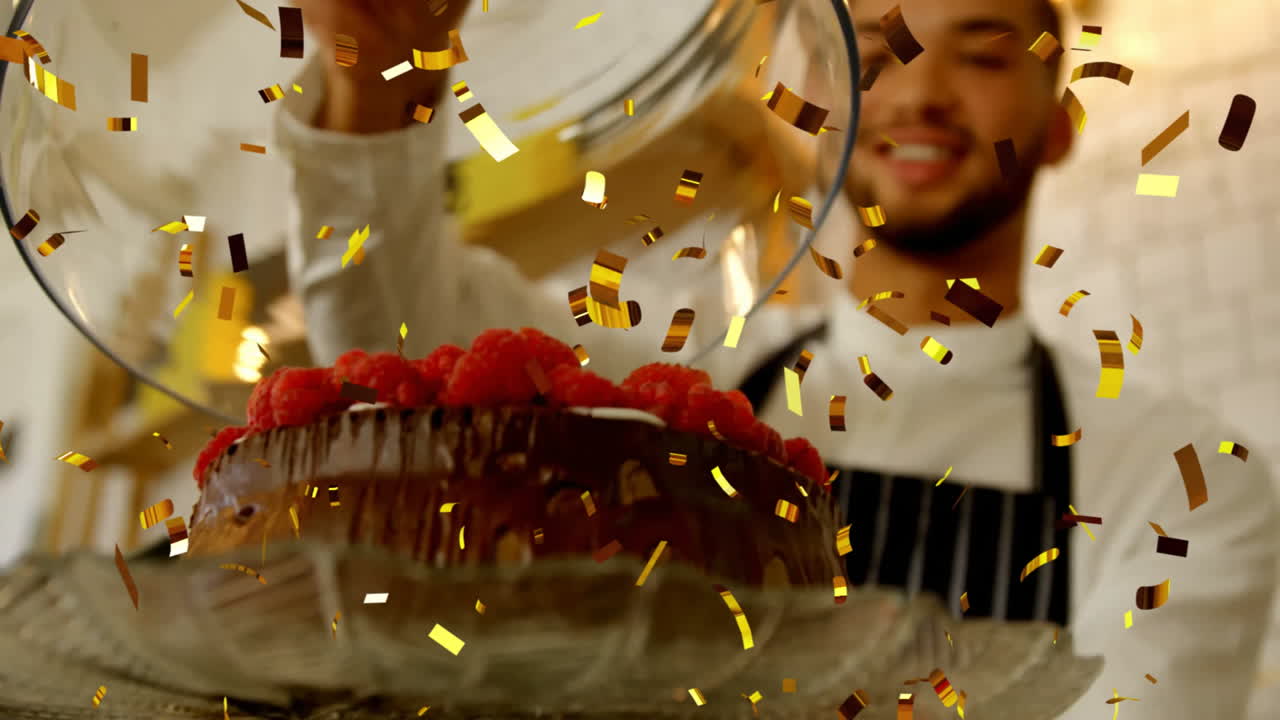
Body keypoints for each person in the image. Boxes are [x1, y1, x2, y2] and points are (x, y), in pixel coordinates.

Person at [219, 0, 1280, 717]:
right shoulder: (685, 415)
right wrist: (378, 79)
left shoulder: (1184, 475)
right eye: (872, 55)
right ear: (819, 119)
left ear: (1058, 124)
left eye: (986, 51)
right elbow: (400, 352)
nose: (917, 94)